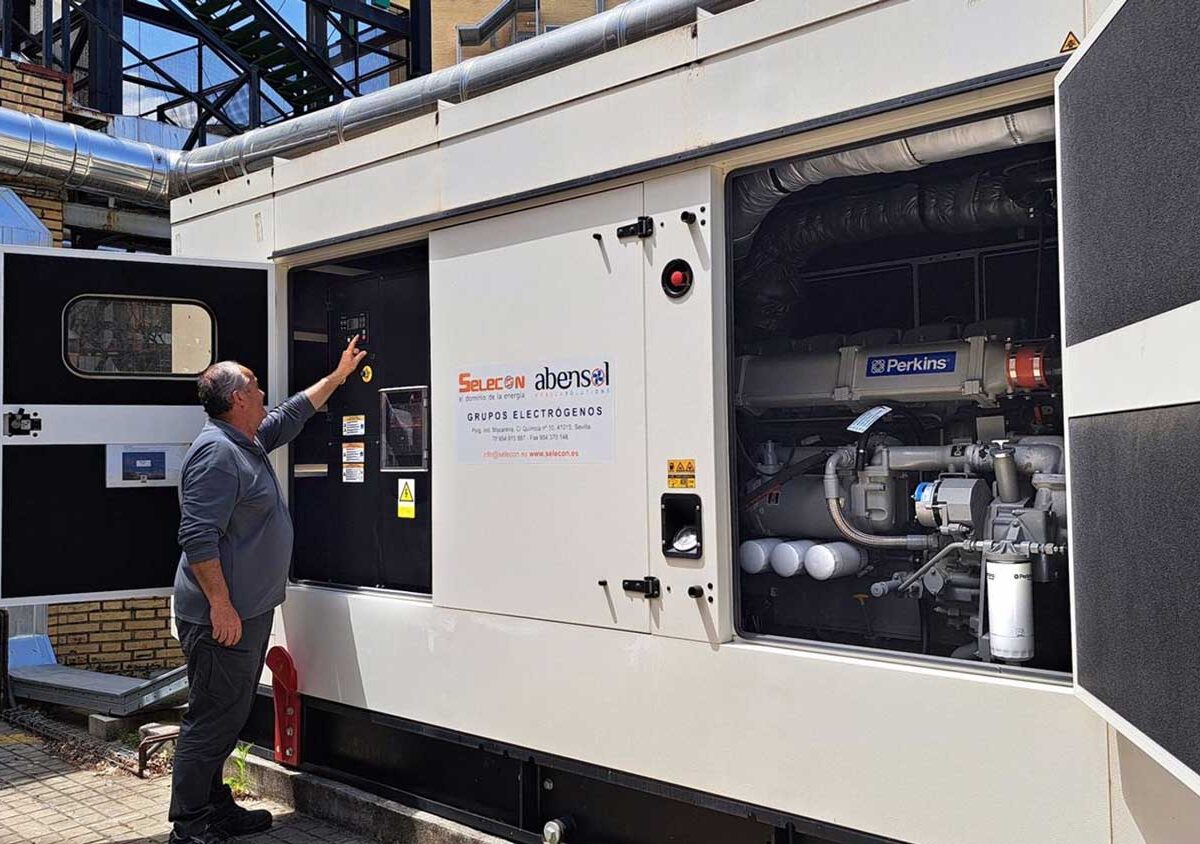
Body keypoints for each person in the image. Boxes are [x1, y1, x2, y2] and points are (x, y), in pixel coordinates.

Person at [168, 336, 365, 844]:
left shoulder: (246, 438)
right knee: (211, 720)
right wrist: (221, 605)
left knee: (227, 715)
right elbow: (196, 536)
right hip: (222, 617)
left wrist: (340, 375)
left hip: (243, 611)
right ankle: (188, 827)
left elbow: (291, 414)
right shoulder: (215, 454)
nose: (263, 394)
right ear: (236, 400)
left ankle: (216, 807)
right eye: (254, 387)